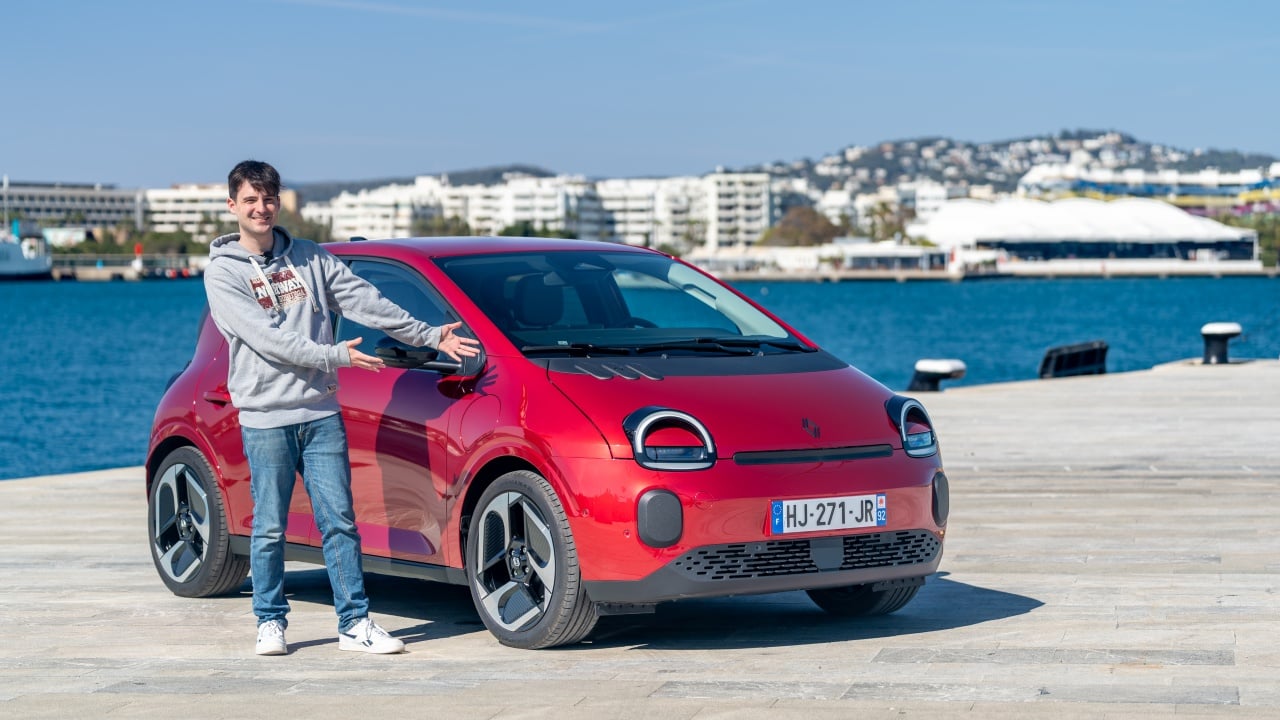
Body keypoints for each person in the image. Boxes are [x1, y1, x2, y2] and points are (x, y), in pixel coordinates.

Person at [204, 160, 479, 656]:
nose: (260, 208)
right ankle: (270, 620)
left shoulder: (309, 258)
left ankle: (354, 623)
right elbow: (267, 340)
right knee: (269, 525)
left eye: (268, 199)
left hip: (320, 413)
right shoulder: (222, 273)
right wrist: (336, 356)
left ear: (279, 202)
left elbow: (365, 300)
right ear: (233, 206)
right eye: (250, 200)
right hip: (267, 418)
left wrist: (431, 335)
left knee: (341, 522)